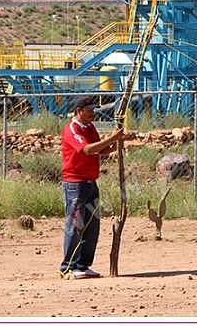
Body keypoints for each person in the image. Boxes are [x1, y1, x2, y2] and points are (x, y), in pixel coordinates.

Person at [58, 96, 128, 279]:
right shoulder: (71, 129)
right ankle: (68, 266)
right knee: (75, 225)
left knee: (92, 225)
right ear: (79, 111)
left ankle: (83, 264)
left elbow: (100, 150)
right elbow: (88, 149)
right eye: (89, 112)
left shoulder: (90, 127)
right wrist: (113, 137)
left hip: (90, 183)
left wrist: (115, 143)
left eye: (93, 112)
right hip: (75, 184)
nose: (92, 115)